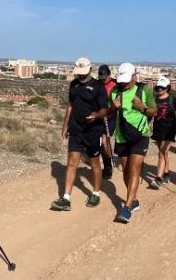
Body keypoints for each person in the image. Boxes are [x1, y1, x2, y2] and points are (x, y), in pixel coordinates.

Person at [51, 57, 109, 211]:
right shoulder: (74, 85)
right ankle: (66, 198)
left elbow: (105, 109)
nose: (81, 76)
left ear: (90, 70)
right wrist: (65, 126)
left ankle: (95, 193)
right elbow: (70, 106)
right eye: (79, 73)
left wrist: (96, 115)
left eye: (83, 73)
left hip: (93, 131)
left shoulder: (98, 86)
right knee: (72, 163)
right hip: (76, 130)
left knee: (95, 163)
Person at [109, 63, 156, 223]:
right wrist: (113, 108)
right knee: (126, 171)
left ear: (134, 76)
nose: (124, 83)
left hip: (140, 136)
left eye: (127, 80)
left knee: (134, 170)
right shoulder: (115, 91)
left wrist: (142, 107)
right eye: (122, 80)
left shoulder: (145, 90)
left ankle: (127, 208)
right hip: (122, 137)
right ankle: (133, 199)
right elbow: (109, 111)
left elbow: (154, 111)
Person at [149, 76, 176, 189]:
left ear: (167, 88)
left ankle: (158, 178)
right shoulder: (154, 100)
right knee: (164, 153)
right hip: (158, 129)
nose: (159, 89)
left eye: (162, 87)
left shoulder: (173, 100)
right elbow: (150, 115)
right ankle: (166, 173)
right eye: (158, 87)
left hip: (169, 130)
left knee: (162, 153)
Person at [98, 64, 117, 179]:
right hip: (100, 116)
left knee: (105, 141)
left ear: (109, 75)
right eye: (101, 77)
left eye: (105, 77)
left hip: (111, 117)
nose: (103, 80)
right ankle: (106, 163)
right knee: (99, 143)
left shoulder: (115, 85)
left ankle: (108, 167)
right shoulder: (98, 84)